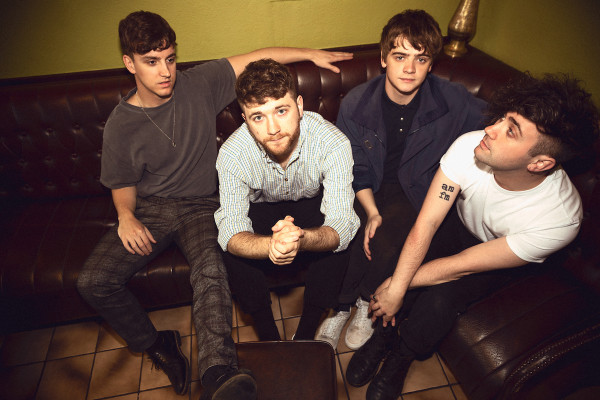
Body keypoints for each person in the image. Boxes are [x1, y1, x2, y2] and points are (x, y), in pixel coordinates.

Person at [76, 10, 352, 400]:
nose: (165, 72)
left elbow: (257, 59)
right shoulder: (122, 123)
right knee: (93, 281)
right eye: (151, 62)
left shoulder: (199, 83)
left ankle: (218, 373)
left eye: (170, 58)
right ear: (130, 63)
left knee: (211, 272)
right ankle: (156, 344)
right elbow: (122, 181)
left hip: (201, 204)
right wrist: (125, 215)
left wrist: (310, 53)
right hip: (151, 208)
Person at [346, 73, 599, 400]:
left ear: (540, 163)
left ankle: (401, 357)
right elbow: (427, 223)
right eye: (504, 118)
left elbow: (462, 265)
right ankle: (381, 339)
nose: (491, 129)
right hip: (460, 222)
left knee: (439, 301)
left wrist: (399, 285)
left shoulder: (559, 219)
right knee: (400, 260)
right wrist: (397, 281)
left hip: (498, 253)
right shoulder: (470, 145)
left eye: (511, 131)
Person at [315, 9, 487, 351]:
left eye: (420, 59)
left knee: (390, 239)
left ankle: (367, 302)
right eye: (399, 56)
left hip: (416, 188)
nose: (409, 68)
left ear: (431, 64)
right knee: (347, 229)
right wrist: (371, 211)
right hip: (366, 185)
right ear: (383, 59)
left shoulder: (451, 100)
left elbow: (499, 122)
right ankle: (341, 306)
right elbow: (355, 168)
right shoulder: (356, 103)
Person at [214, 58, 360, 342]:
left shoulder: (333, 143)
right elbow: (230, 230)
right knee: (232, 250)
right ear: (245, 119)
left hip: (310, 204)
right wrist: (272, 245)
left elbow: (342, 223)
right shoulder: (232, 155)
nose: (273, 128)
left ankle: (306, 333)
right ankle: (268, 335)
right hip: (260, 208)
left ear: (300, 106)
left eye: (281, 111)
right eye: (258, 117)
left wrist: (300, 239)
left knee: (338, 242)